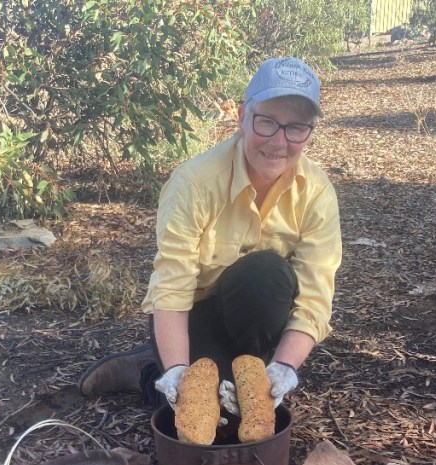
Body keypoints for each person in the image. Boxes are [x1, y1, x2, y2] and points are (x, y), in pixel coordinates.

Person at [78, 57, 342, 422]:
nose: (280, 142)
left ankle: (243, 366)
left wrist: (284, 366)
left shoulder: (316, 192)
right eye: (266, 121)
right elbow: (172, 287)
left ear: (309, 131)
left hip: (254, 319)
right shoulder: (194, 184)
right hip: (194, 314)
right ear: (241, 116)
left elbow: (315, 293)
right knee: (202, 416)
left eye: (296, 128)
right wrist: (178, 370)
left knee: (267, 273)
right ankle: (149, 371)